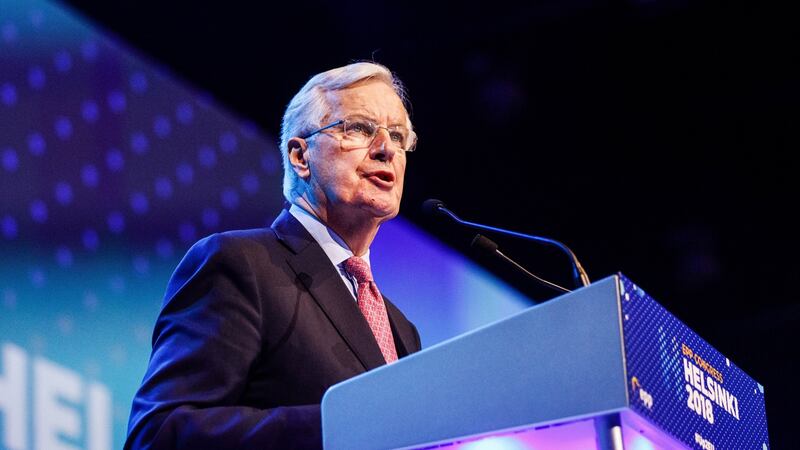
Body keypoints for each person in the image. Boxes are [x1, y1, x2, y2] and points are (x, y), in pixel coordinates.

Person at [124, 62, 421, 450]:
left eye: (399, 137)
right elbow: (159, 433)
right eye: (361, 129)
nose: (386, 149)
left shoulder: (403, 331)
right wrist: (339, 422)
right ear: (300, 156)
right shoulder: (239, 263)